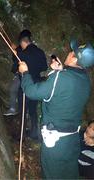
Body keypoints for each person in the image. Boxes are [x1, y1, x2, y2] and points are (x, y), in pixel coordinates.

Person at [18, 39, 94, 179]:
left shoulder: (61, 78)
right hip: (72, 140)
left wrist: (25, 73)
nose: (69, 53)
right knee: (70, 175)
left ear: (74, 58)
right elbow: (67, 88)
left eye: (71, 52)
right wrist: (60, 70)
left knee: (52, 174)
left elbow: (32, 92)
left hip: (56, 143)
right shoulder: (85, 81)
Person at [5, 30, 48, 140]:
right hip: (36, 85)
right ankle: (34, 133)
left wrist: (15, 54)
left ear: (23, 43)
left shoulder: (22, 54)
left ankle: (21, 136)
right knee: (33, 110)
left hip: (26, 86)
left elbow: (15, 68)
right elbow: (44, 67)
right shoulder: (40, 52)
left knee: (23, 110)